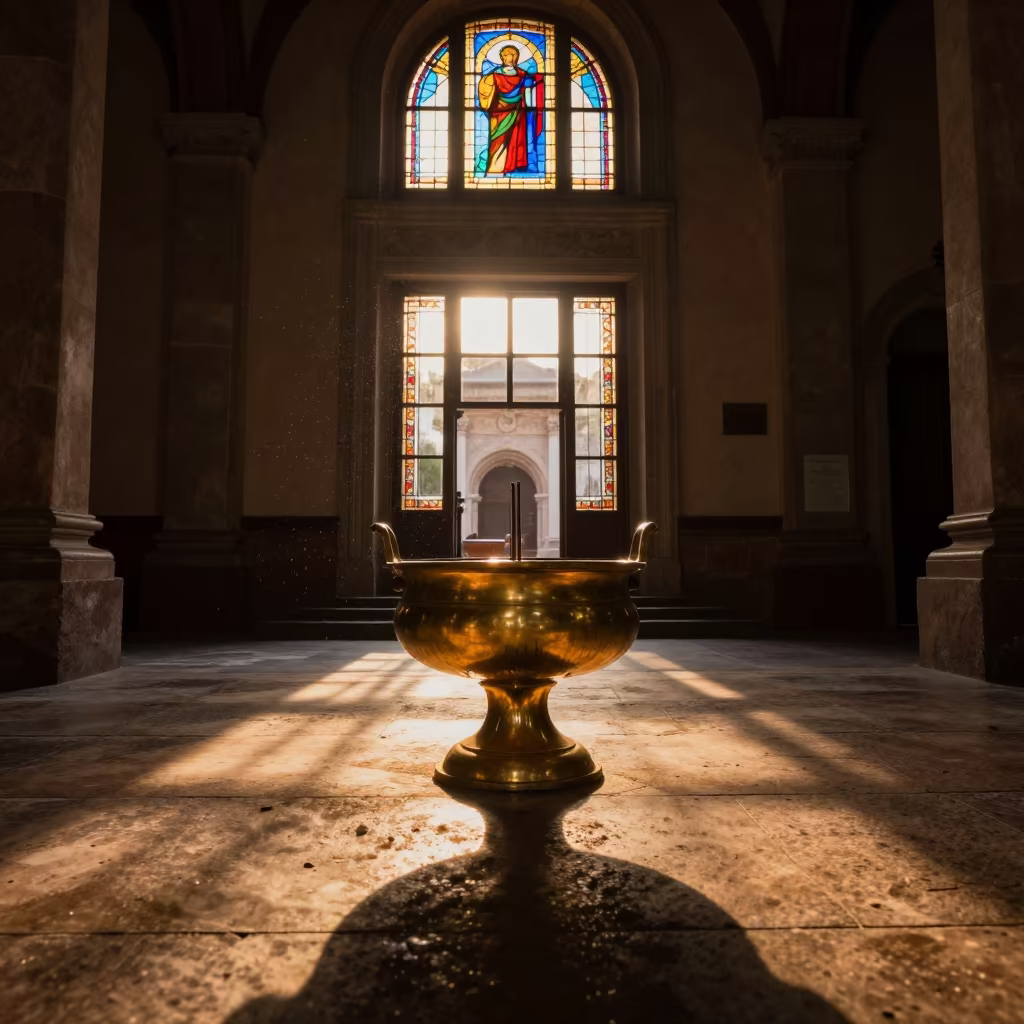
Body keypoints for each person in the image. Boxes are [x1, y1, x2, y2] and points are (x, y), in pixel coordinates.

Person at [477, 44, 543, 176]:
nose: (511, 58)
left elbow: (531, 85)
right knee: (498, 139)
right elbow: (485, 91)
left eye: (514, 55)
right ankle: (497, 167)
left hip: (517, 111)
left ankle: (514, 165)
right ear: (502, 57)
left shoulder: (521, 74)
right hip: (499, 112)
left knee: (516, 138)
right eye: (507, 55)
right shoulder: (495, 75)